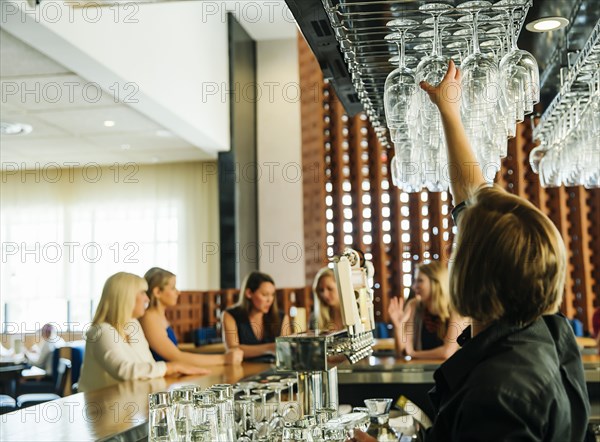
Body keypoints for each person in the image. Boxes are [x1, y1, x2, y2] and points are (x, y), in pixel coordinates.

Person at [353, 60, 590, 441]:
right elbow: (470, 196)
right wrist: (449, 111)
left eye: (459, 248)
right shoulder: (545, 330)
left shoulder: (497, 395)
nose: (450, 254)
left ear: (473, 275)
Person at [78, 272, 207, 393]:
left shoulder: (133, 324)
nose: (147, 299)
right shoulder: (101, 331)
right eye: (142, 293)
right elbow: (125, 371)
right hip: (101, 411)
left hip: (127, 405)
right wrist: (171, 367)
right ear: (126, 297)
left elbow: (148, 364)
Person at [140, 267, 243, 366]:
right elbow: (176, 357)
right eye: (173, 288)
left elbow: (175, 351)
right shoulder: (149, 319)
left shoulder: (160, 316)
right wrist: (224, 359)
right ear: (157, 292)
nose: (178, 292)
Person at [388, 261, 464, 360]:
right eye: (415, 281)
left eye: (420, 281)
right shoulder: (413, 305)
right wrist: (398, 327)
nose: (414, 287)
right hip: (423, 371)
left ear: (436, 282)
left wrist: (413, 354)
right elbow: (403, 351)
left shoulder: (456, 309)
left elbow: (447, 352)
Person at [222, 271, 291, 360]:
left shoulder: (282, 317)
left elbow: (285, 351)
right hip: (244, 370)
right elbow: (233, 349)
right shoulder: (230, 315)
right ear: (249, 293)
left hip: (273, 370)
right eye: (265, 294)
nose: (270, 300)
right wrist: (270, 348)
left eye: (272, 295)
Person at [310, 267, 344, 331]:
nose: (324, 295)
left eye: (330, 289)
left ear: (340, 287)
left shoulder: (355, 314)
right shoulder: (314, 319)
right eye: (321, 290)